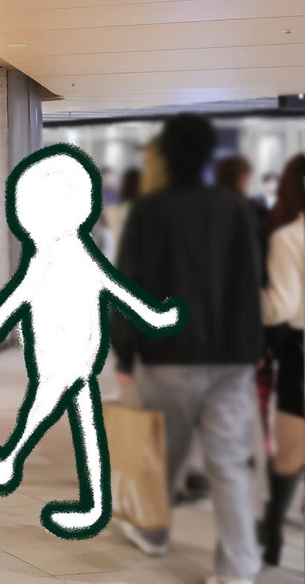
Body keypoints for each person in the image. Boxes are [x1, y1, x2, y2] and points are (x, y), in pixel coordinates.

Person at [0, 145, 183, 539]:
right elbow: (117, 290)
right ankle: (90, 503)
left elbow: (14, 301)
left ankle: (11, 462)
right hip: (80, 353)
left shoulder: (47, 258)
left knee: (46, 408)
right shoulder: (79, 253)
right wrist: (153, 316)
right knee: (82, 418)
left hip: (59, 355)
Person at [113, 114, 264, 582]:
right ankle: (238, 569)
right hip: (231, 356)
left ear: (166, 154)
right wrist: (251, 347)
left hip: (167, 355)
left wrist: (124, 353)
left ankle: (153, 532)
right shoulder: (234, 208)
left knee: (164, 454)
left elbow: (129, 287)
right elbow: (251, 281)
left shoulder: (149, 212)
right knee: (230, 464)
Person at [259, 153, 304, 566]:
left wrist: (250, 299)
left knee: (291, 453)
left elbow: (281, 307)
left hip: (301, 355)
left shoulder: (290, 237)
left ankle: (271, 536)